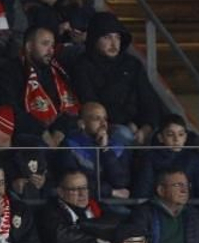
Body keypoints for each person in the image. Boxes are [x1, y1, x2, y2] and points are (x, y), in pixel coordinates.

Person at [69, 11, 163, 148]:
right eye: (107, 37)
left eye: (117, 37)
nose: (114, 43)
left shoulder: (132, 64)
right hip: (105, 125)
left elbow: (149, 99)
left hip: (139, 126)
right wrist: (128, 123)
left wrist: (146, 127)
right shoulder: (82, 66)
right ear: (95, 38)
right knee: (123, 134)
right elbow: (91, 104)